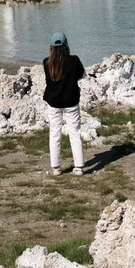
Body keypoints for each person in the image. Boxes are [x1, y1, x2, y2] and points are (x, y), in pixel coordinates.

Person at [42, 30, 86, 176]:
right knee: (75, 132)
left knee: (54, 133)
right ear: (66, 45)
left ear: (51, 47)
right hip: (71, 100)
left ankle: (56, 167)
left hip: (53, 102)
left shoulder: (46, 62)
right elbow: (82, 74)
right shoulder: (74, 61)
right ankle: (79, 166)